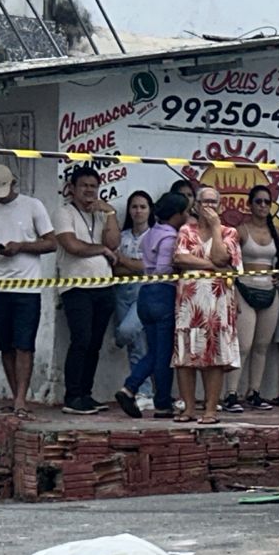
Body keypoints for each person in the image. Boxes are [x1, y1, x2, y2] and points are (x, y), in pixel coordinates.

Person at [0, 163, 55, 419]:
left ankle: (22, 397)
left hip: (27, 284)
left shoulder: (33, 205)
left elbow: (51, 243)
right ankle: (16, 398)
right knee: (5, 343)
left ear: (13, 184)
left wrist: (21, 246)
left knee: (25, 344)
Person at [53, 165, 122, 415]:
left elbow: (114, 243)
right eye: (84, 186)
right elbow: (72, 245)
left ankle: (86, 394)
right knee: (80, 340)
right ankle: (72, 396)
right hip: (76, 286)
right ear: (72, 188)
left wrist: (111, 213)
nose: (89, 191)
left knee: (94, 343)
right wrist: (101, 250)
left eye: (94, 186)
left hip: (104, 285)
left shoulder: (102, 213)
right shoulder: (63, 212)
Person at [171, 185, 242, 425]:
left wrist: (214, 228)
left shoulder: (229, 232)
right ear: (196, 206)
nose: (209, 207)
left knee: (214, 355)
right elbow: (180, 258)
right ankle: (189, 408)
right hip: (189, 302)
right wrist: (211, 266)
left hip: (217, 302)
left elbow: (224, 258)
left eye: (214, 202)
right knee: (185, 353)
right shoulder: (186, 230)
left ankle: (210, 409)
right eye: (205, 202)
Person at [115, 192, 188, 419]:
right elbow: (164, 267)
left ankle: (151, 398)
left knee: (156, 351)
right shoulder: (169, 237)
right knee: (163, 354)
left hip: (145, 293)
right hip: (163, 292)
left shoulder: (151, 234)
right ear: (176, 215)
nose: (187, 216)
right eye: (184, 212)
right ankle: (140, 392)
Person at [222, 185, 279, 413]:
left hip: (269, 291)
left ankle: (254, 391)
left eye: (266, 202)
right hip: (244, 289)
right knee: (243, 345)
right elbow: (228, 262)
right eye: (258, 201)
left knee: (262, 346)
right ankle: (231, 393)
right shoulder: (240, 231)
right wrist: (232, 291)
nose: (262, 206)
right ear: (249, 205)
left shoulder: (275, 232)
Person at [113, 190, 155, 404]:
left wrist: (125, 262)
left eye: (143, 207)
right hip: (121, 291)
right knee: (136, 345)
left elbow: (149, 268)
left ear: (150, 210)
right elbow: (114, 269)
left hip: (145, 291)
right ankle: (144, 392)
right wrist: (133, 266)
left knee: (128, 332)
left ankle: (146, 391)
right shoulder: (122, 236)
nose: (138, 211)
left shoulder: (155, 236)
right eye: (134, 207)